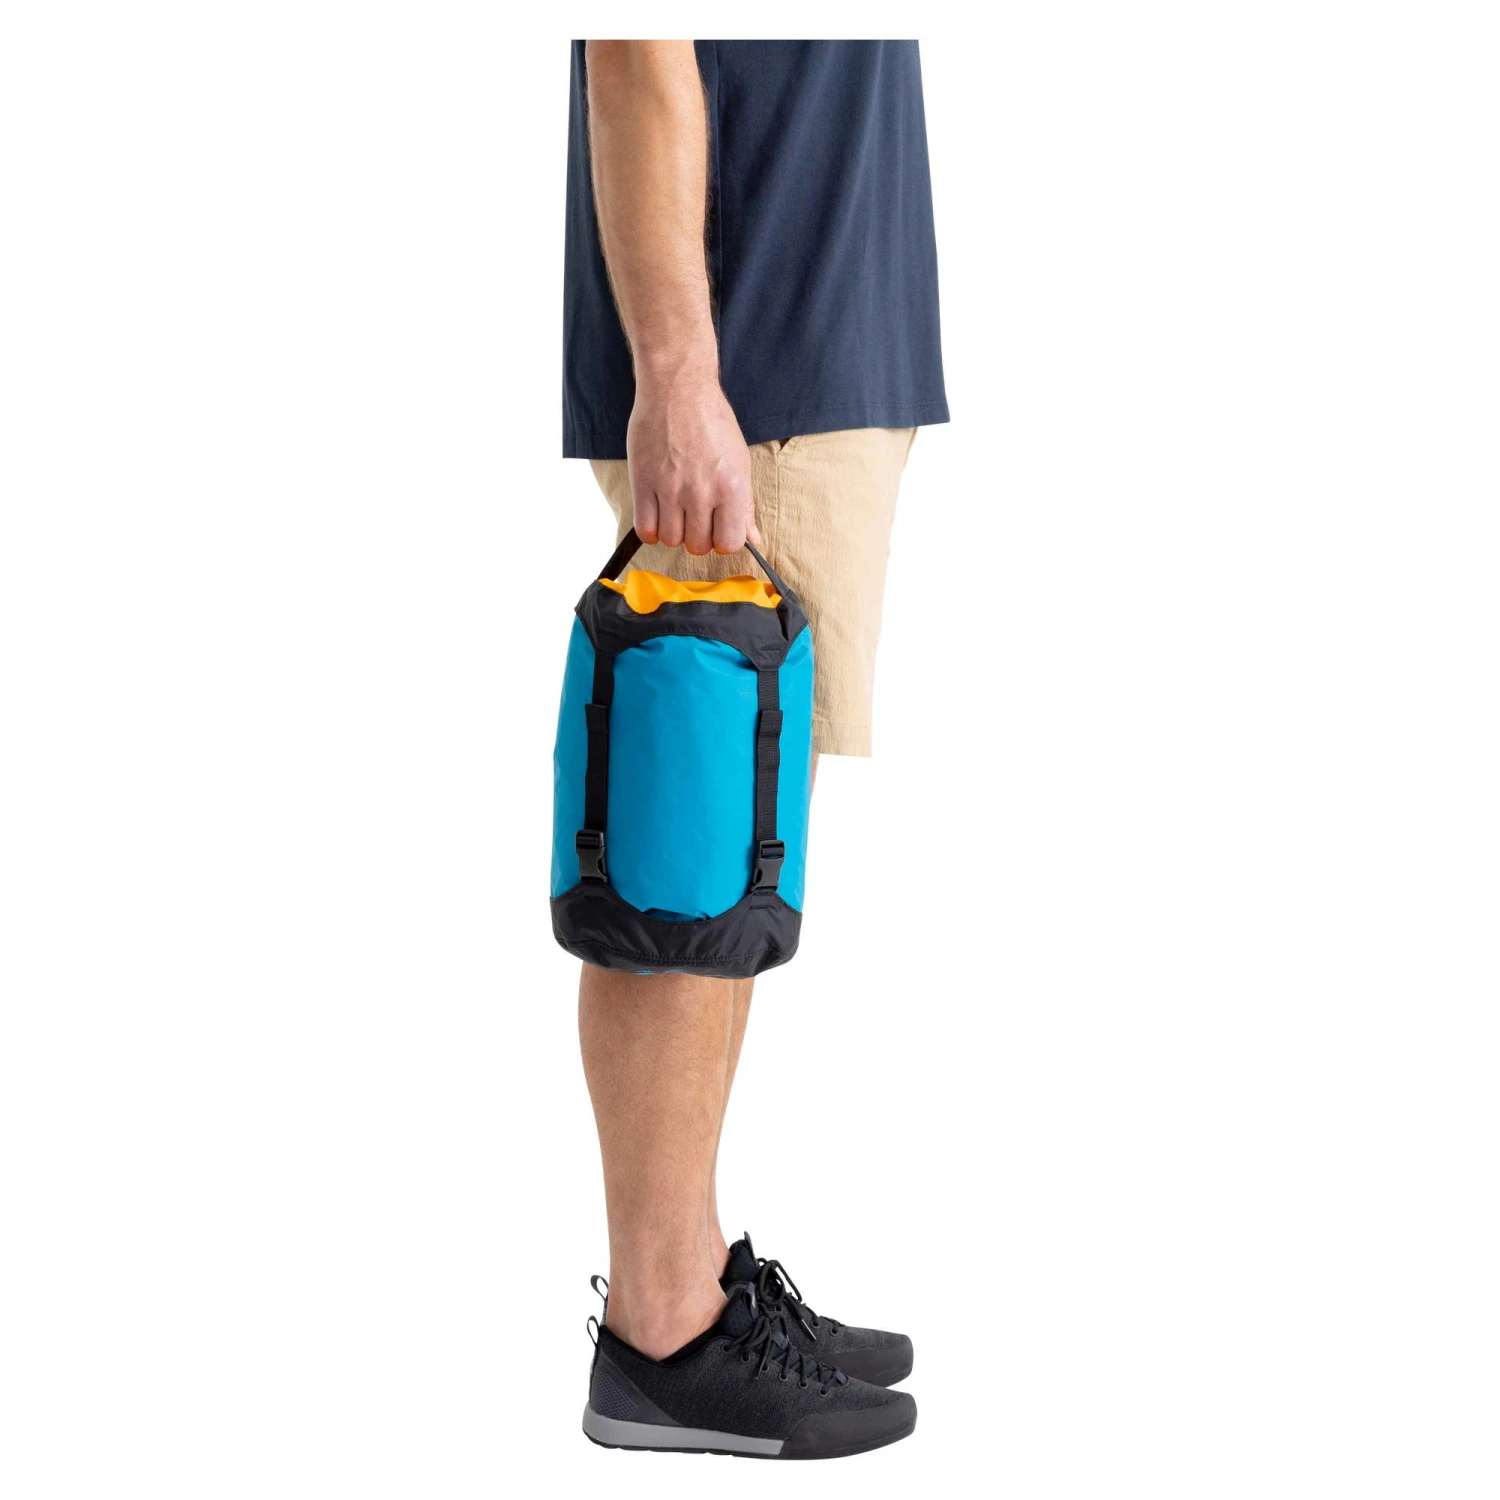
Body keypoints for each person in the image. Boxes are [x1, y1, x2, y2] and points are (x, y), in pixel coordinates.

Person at [562, 40, 948, 1459]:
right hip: (752, 361)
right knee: (691, 846)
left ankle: (693, 1276)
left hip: (812, 339)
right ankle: (662, 1329)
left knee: (734, 852)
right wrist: (679, 371)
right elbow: (636, 48)